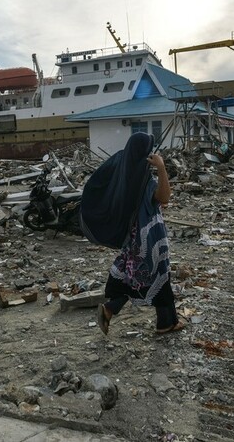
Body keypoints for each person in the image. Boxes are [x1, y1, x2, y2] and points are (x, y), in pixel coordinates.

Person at [80, 132, 184, 336]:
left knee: (132, 276)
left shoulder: (123, 173)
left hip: (132, 238)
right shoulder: (144, 179)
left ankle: (111, 309)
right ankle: (165, 323)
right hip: (150, 238)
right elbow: (164, 197)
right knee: (159, 278)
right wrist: (161, 167)